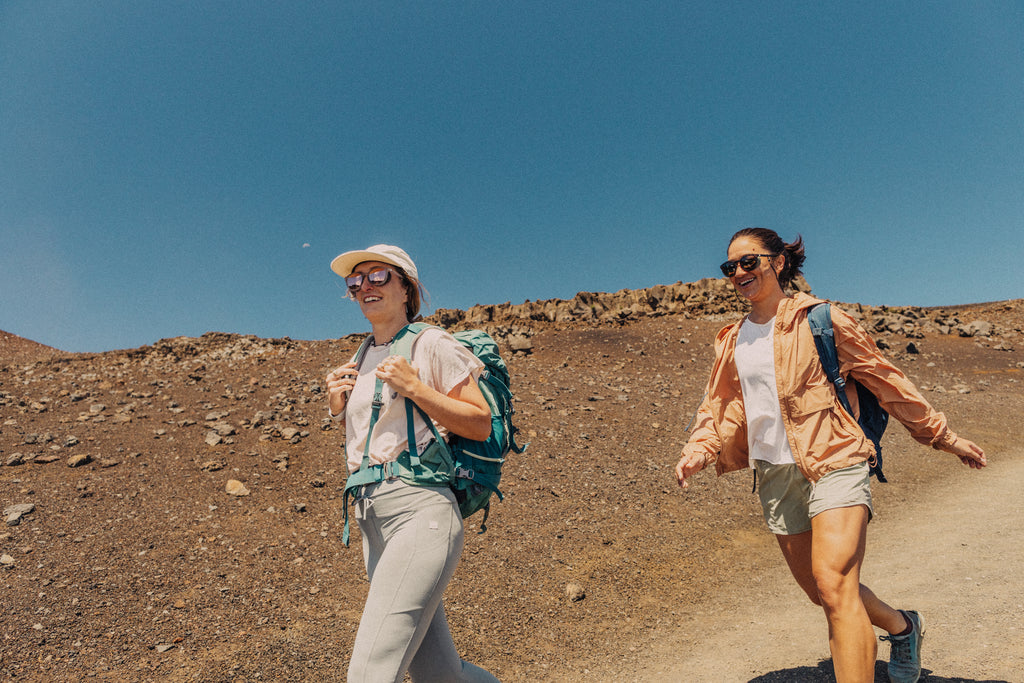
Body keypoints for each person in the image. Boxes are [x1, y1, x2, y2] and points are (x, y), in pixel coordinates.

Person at [674, 228, 986, 683]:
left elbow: (886, 381)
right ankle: (903, 626)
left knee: (835, 583)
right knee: (822, 590)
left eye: (749, 262)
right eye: (730, 267)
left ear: (779, 262)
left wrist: (942, 436)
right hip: (776, 473)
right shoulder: (731, 340)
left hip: (836, 457)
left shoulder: (823, 319)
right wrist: (700, 449)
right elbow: (723, 406)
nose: (738, 273)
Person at [325, 244, 500, 683]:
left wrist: (416, 387)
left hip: (419, 511)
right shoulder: (359, 357)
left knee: (369, 674)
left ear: (407, 288)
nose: (364, 285)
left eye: (378, 276)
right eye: (355, 280)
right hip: (372, 521)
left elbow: (479, 422)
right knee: (442, 676)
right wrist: (336, 407)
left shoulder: (431, 343)